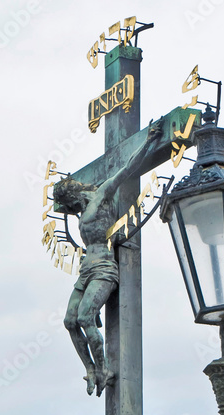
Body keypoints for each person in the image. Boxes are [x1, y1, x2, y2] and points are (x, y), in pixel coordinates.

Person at [54, 120, 163, 396]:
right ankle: (90, 368)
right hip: (86, 270)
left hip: (103, 267)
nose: (70, 210)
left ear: (75, 195)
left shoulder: (101, 196)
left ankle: (103, 369)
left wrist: (149, 141)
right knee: (70, 321)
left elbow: (126, 170)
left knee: (86, 317)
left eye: (69, 204)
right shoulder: (79, 208)